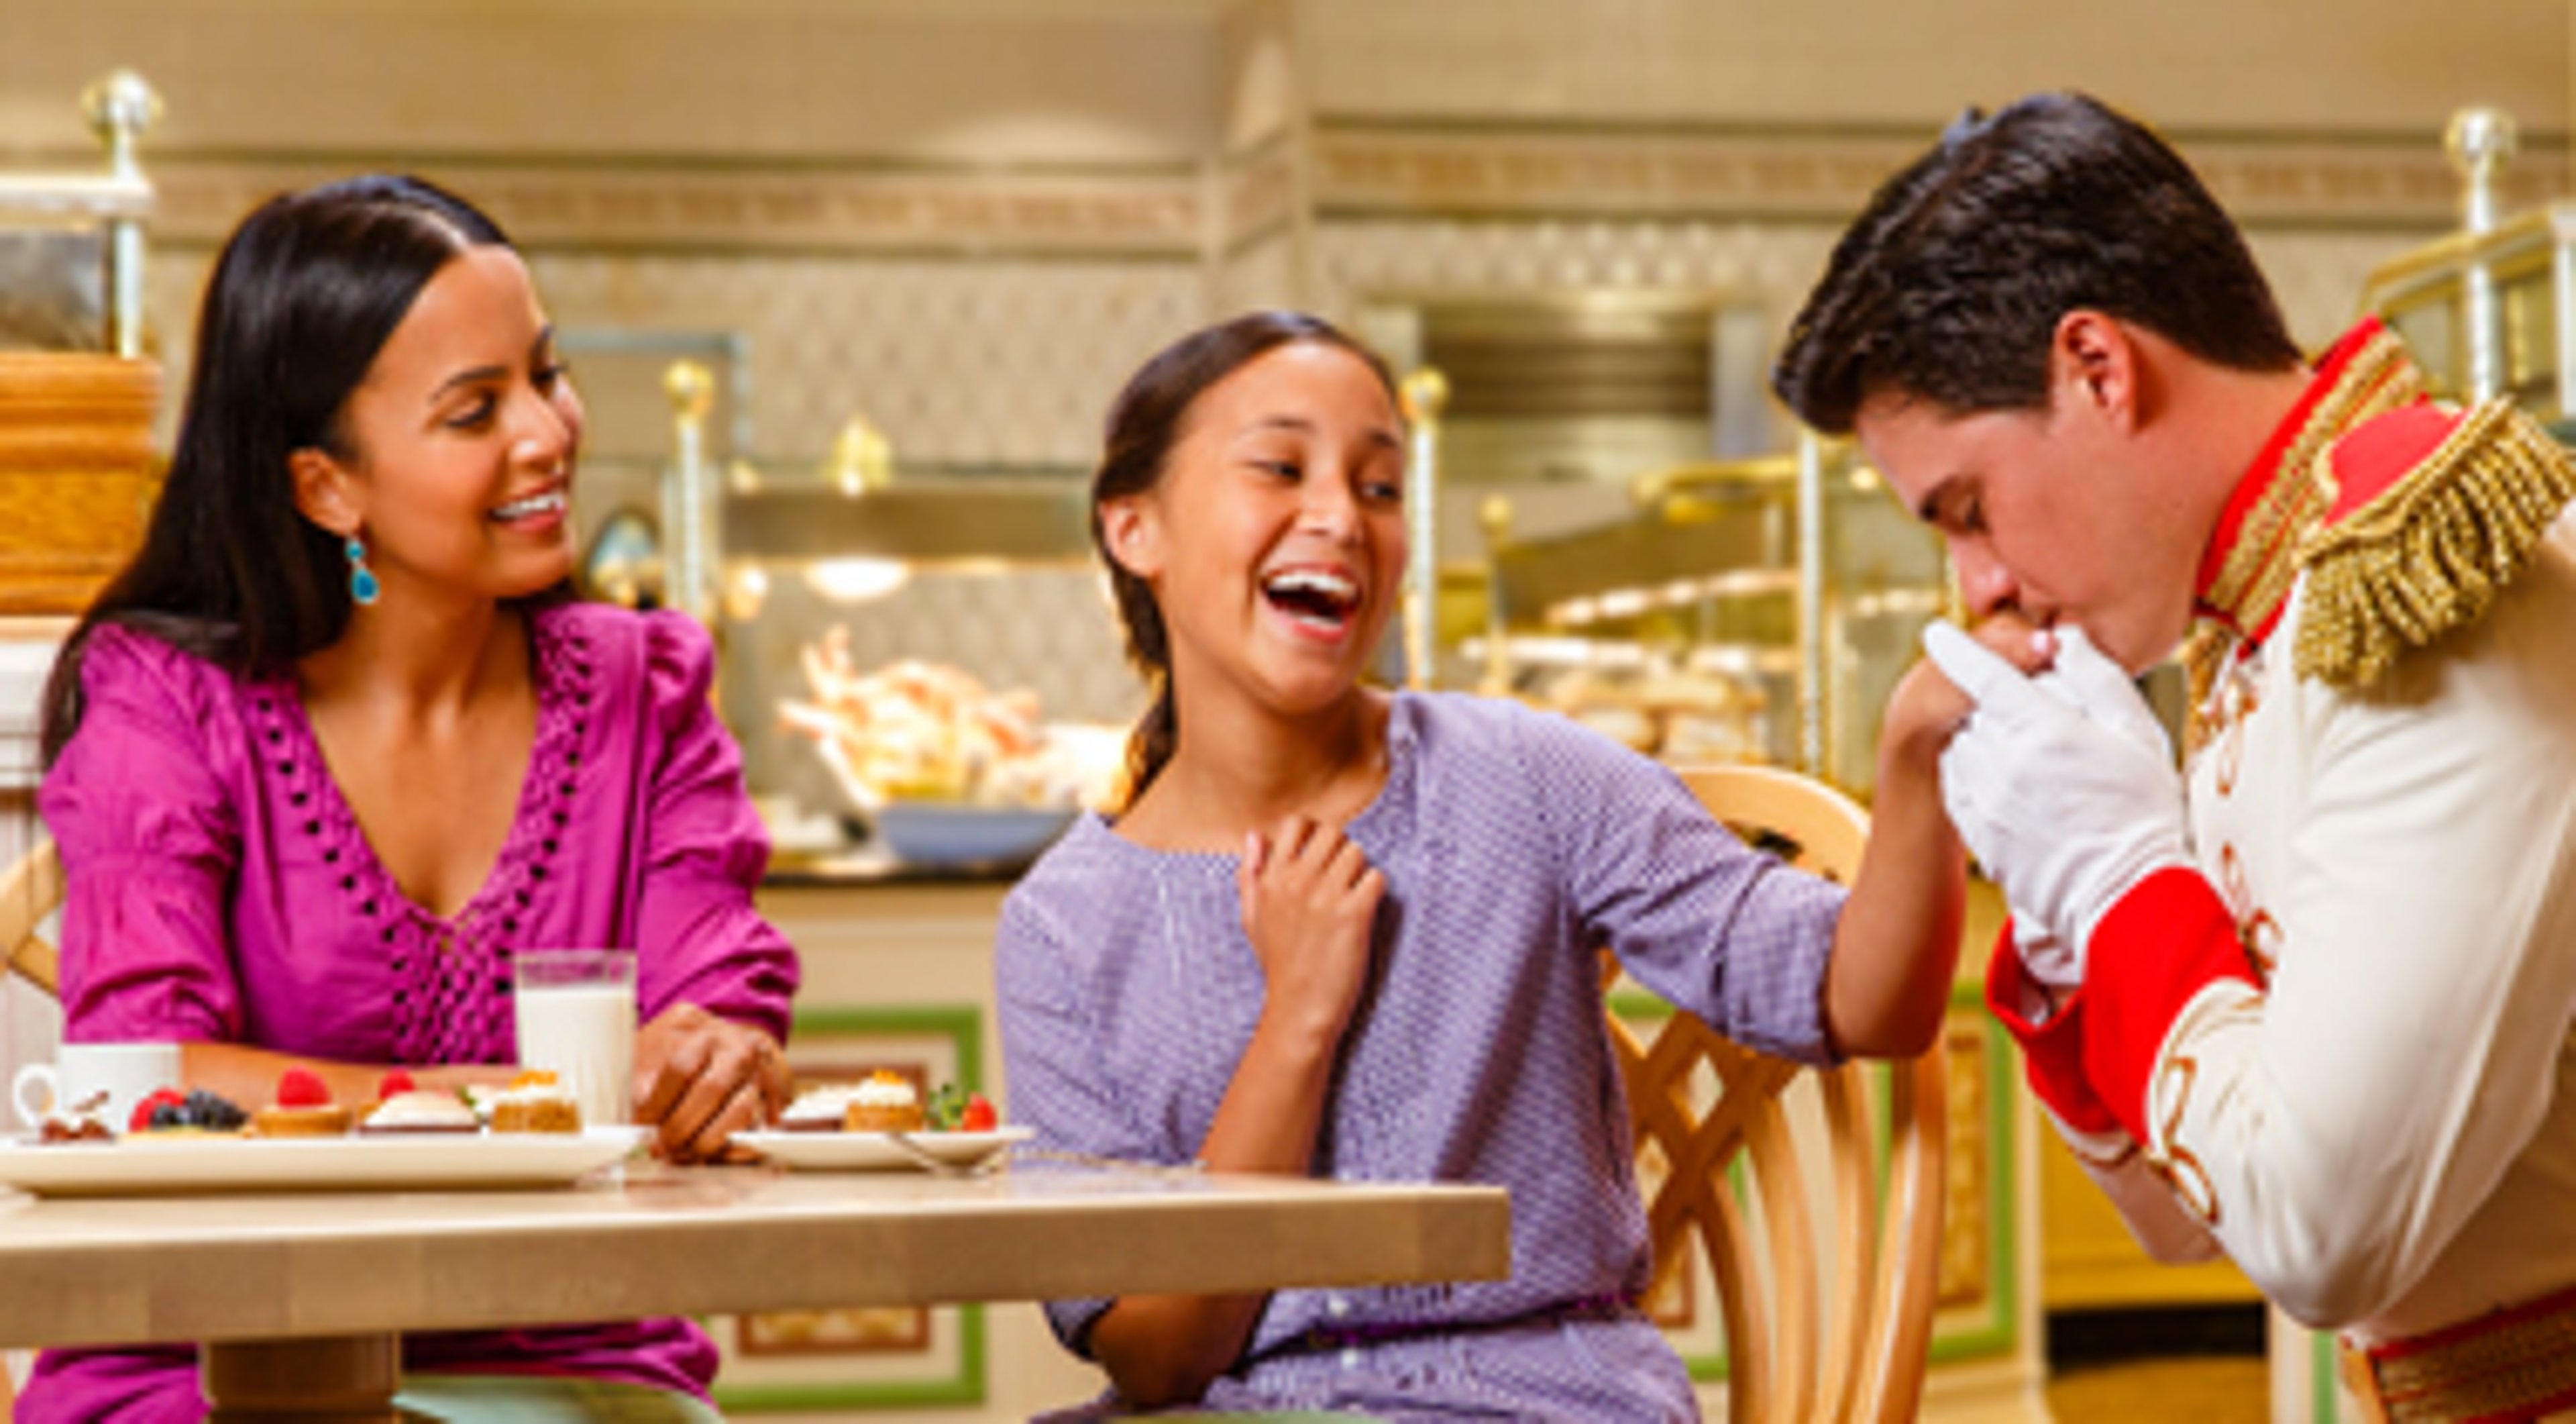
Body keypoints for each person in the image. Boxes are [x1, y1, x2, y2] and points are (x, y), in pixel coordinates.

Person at [996, 309, 1988, 1421]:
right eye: (1280, 467)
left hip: (1542, 1400)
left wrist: (1914, 759)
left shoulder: (1523, 775)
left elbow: (1860, 996)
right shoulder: (1060, 928)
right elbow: (1154, 1361)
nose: (1339, 516)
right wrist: (1297, 1023)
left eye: (1379, 488)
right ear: (1135, 529)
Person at [1774, 92, 2576, 1418]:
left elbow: (2319, 1227)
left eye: (1969, 510)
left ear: (2099, 367)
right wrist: (2072, 920)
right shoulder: (2254, 627)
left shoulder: (2423, 579)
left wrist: (2116, 873)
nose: (1979, 587)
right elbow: (2186, 1215)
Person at [27, 174, 800, 1423]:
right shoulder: (168, 701)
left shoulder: (645, 688)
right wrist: (513, 1105)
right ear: (327, 486)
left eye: (545, 376)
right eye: (473, 410)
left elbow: (718, 985)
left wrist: (718, 1048)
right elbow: (142, 1073)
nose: (548, 432)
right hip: (204, 1362)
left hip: (571, 1358)